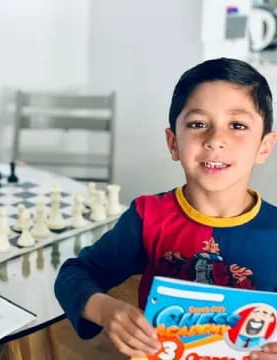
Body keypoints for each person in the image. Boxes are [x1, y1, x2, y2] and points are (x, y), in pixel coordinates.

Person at [54, 57, 277, 359]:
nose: (215, 140)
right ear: (173, 143)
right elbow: (73, 275)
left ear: (264, 146)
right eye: (198, 124)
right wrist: (106, 310)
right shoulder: (149, 217)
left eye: (237, 125)